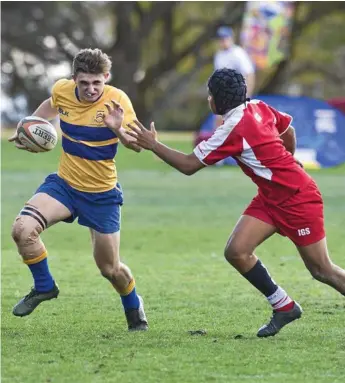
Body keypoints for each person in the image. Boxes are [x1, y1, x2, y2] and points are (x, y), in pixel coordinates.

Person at [107, 68, 345, 337]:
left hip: (298, 199)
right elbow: (288, 130)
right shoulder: (257, 106)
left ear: (215, 101)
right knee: (237, 251)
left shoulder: (232, 129)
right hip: (270, 197)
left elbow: (188, 165)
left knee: (322, 269)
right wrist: (288, 159)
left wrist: (154, 145)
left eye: (209, 96)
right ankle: (284, 306)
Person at [8, 48, 148, 331]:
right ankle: (45, 286)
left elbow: (136, 145)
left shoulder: (117, 100)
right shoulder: (62, 90)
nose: (91, 89)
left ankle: (134, 308)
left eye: (97, 82)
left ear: (106, 78)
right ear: (74, 79)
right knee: (22, 229)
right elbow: (50, 106)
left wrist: (118, 129)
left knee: (110, 269)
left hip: (101, 194)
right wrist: (29, 129)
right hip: (65, 185)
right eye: (84, 83)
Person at [214, 26, 255, 97]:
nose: (223, 41)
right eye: (220, 39)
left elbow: (249, 74)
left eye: (225, 38)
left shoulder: (238, 53)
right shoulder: (218, 55)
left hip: (238, 94)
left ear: (231, 38)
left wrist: (247, 96)